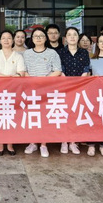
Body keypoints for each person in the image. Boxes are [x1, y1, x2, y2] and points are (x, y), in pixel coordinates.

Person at [23, 27, 62, 158]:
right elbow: (24, 71)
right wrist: (33, 81)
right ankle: (33, 142)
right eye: (36, 36)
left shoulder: (52, 53)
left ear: (45, 38)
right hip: (31, 90)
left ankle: (43, 145)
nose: (38, 38)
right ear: (32, 39)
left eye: (41, 36)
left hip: (47, 90)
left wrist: (43, 80)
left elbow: (57, 70)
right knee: (33, 117)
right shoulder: (27, 53)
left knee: (44, 117)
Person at [0, 30, 26, 155]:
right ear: (0, 41)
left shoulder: (18, 56)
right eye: (3, 38)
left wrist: (11, 79)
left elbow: (21, 73)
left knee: (12, 117)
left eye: (9, 38)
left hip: (13, 91)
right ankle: (0, 143)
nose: (6, 40)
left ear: (13, 40)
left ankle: (10, 144)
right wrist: (7, 78)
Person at [57, 27, 90, 155]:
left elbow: (86, 69)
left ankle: (73, 142)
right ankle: (64, 141)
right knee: (65, 114)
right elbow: (60, 69)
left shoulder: (84, 52)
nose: (72, 37)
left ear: (78, 37)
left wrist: (79, 82)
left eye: (75, 34)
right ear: (65, 38)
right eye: (69, 35)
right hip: (64, 88)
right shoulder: (60, 52)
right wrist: (68, 83)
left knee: (76, 114)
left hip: (80, 88)